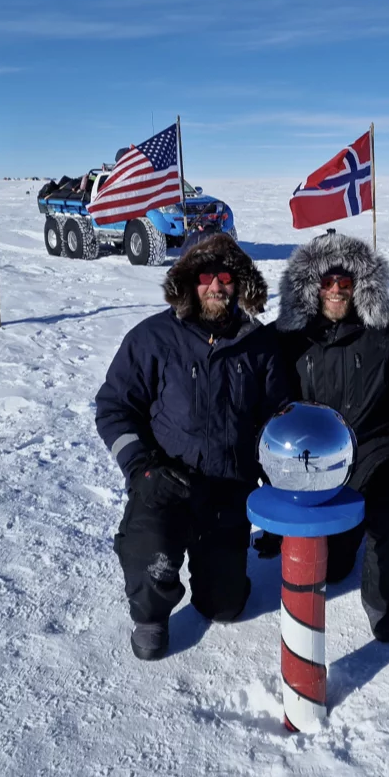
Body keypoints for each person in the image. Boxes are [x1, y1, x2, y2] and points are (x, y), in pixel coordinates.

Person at [95, 233, 286, 661]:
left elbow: (276, 424)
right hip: (165, 481)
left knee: (225, 606)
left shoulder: (258, 345)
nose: (216, 285)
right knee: (151, 557)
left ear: (240, 284)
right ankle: (150, 613)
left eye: (226, 276)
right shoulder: (152, 338)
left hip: (229, 486)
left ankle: (215, 574)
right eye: (205, 275)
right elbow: (113, 407)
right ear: (187, 281)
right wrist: (140, 467)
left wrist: (276, 502)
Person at [269, 232, 389, 642]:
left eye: (346, 282)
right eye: (326, 281)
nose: (336, 290)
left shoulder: (387, 331)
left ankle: (384, 600)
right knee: (331, 570)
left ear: (361, 286)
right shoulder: (285, 337)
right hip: (315, 461)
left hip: (374, 446)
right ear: (308, 286)